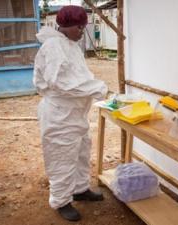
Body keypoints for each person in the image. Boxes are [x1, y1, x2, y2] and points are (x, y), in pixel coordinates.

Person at [33, 5, 108, 222]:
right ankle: (61, 201)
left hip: (75, 113)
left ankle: (80, 188)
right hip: (59, 114)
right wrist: (98, 88)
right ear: (65, 26)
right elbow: (62, 83)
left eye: (83, 27)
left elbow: (79, 75)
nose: (81, 31)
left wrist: (93, 88)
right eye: (79, 27)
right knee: (61, 157)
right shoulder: (54, 46)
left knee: (81, 152)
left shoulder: (70, 44)